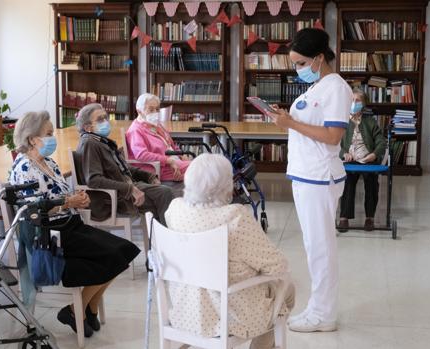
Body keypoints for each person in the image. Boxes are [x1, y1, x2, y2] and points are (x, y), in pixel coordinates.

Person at [9, 111, 140, 338]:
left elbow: (62, 195)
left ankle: (86, 306)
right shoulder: (24, 168)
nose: (53, 138)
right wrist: (68, 202)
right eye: (48, 134)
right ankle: (81, 309)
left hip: (71, 225)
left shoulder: (49, 162)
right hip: (52, 235)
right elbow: (33, 211)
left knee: (124, 250)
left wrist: (79, 199)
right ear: (32, 139)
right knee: (111, 256)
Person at [266, 28, 353, 332]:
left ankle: (324, 314)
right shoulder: (316, 87)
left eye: (301, 63)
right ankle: (317, 307)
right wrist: (285, 120)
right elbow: (307, 126)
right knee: (312, 245)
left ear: (318, 58)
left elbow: (332, 136)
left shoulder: (336, 88)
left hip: (319, 176)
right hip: (304, 175)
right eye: (294, 64)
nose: (297, 69)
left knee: (321, 247)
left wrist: (290, 123)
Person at [165, 153, 295, 349]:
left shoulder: (174, 209)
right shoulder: (235, 217)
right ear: (226, 185)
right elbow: (278, 265)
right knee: (286, 288)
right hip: (230, 315)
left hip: (185, 309)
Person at [75, 103, 174, 225]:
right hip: (115, 198)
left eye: (106, 117)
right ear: (87, 127)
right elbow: (94, 180)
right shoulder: (89, 144)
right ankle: (167, 238)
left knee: (165, 195)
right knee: (165, 195)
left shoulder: (100, 141)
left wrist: (148, 176)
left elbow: (122, 168)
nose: (106, 121)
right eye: (100, 119)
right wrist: (129, 188)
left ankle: (162, 237)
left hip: (126, 189)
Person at [339, 89, 386, 231]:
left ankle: (369, 218)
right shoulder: (342, 122)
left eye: (358, 100)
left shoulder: (370, 122)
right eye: (352, 100)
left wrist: (374, 154)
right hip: (351, 160)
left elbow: (381, 142)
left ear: (363, 104)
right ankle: (344, 217)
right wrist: (344, 153)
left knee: (371, 183)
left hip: (368, 159)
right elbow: (335, 144)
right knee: (348, 182)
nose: (354, 103)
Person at [126, 93, 190, 182]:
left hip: (174, 161)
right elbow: (141, 154)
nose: (155, 113)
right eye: (151, 109)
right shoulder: (136, 130)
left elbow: (171, 145)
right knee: (200, 168)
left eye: (157, 109)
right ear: (139, 111)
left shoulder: (156, 125)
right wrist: (168, 160)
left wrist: (181, 154)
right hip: (159, 167)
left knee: (202, 167)